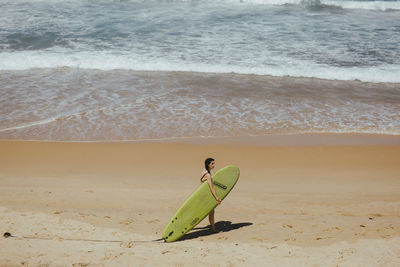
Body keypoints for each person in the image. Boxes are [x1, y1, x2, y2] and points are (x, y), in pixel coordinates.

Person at [200, 157, 221, 232]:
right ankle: (213, 229)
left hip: (203, 194)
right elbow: (211, 187)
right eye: (212, 163)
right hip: (208, 195)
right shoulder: (208, 175)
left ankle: (213, 228)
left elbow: (201, 180)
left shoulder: (204, 170)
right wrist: (217, 198)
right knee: (211, 212)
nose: (214, 165)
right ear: (208, 164)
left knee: (211, 212)